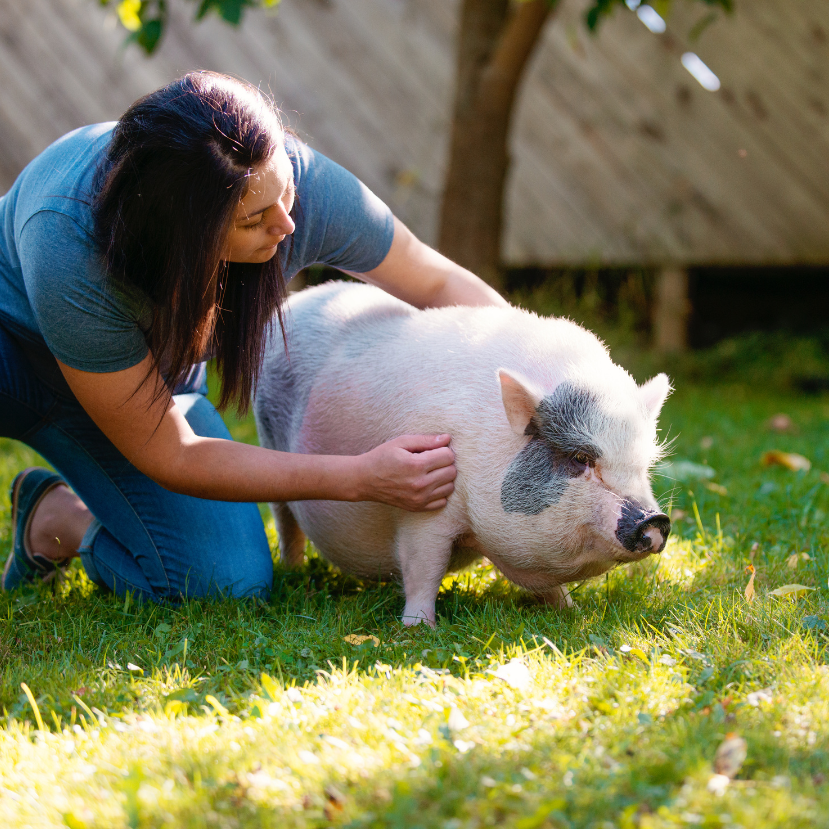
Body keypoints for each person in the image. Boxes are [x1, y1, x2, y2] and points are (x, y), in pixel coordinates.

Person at [0, 71, 507, 602]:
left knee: (226, 582)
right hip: (17, 357)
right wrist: (360, 477)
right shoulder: (68, 244)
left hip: (143, 385)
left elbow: (435, 279)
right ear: (183, 236)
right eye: (255, 220)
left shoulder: (271, 180)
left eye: (286, 190)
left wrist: (535, 384)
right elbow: (174, 453)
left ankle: (57, 519)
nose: (287, 224)